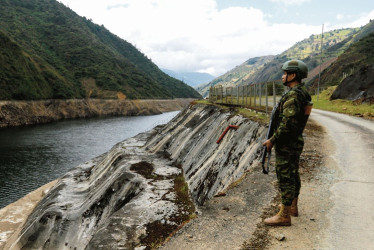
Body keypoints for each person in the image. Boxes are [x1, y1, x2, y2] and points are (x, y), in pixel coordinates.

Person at [263, 59, 312, 226]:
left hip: (287, 143)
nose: (283, 76)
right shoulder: (302, 92)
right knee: (293, 173)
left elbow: (286, 124)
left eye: (285, 73)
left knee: (285, 176)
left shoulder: (293, 96)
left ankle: (284, 214)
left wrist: (272, 140)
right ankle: (292, 206)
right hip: (295, 141)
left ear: (293, 75)